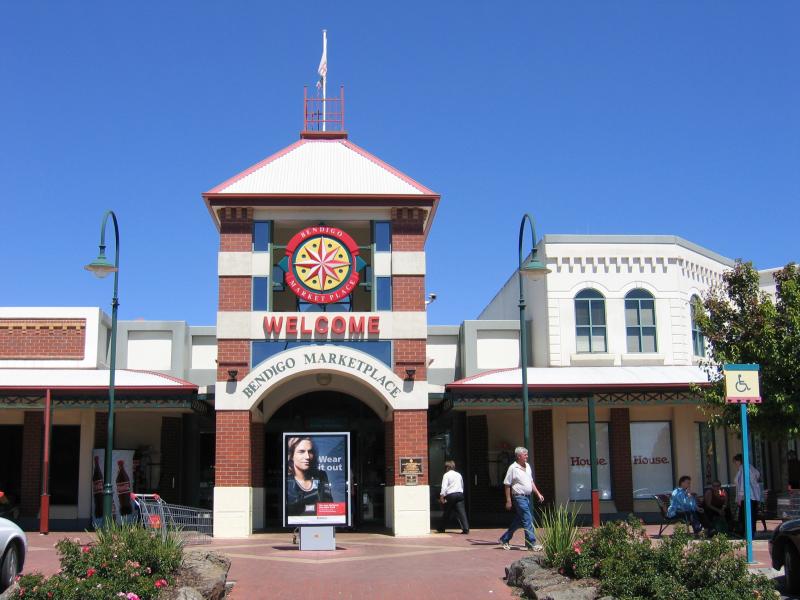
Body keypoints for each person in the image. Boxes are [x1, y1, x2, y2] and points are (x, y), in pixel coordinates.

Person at [499, 447, 544, 551]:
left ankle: (504, 539)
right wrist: (508, 500)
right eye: (525, 455)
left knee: (519, 520)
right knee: (528, 519)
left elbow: (531, 482)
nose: (527, 457)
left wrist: (538, 493)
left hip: (527, 497)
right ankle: (531, 543)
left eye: (527, 454)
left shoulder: (528, 466)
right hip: (519, 497)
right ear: (518, 456)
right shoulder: (513, 468)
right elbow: (507, 484)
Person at [285, 436, 333, 517]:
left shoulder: (321, 476)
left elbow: (328, 504)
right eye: (301, 451)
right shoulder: (287, 481)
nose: (307, 457)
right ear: (291, 456)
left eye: (310, 452)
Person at [733, 453, 762, 537]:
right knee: (752, 516)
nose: (735, 464)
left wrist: (739, 498)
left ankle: (743, 532)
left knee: (744, 516)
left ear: (739, 461)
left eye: (735, 462)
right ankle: (751, 532)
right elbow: (757, 475)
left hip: (746, 497)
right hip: (753, 497)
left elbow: (742, 485)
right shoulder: (751, 468)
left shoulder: (743, 470)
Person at [437, 460, 469, 534]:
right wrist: (461, 492)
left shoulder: (446, 475)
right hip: (460, 494)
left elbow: (444, 486)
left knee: (447, 511)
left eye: (445, 467)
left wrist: (442, 496)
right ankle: (466, 528)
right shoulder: (459, 474)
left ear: (448, 467)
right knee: (462, 512)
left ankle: (441, 528)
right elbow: (462, 485)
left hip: (451, 495)